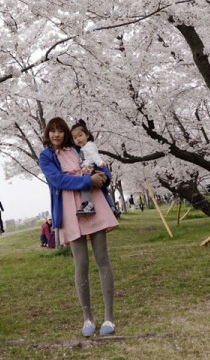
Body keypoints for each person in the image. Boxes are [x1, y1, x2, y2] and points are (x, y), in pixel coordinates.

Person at [39, 116, 118, 337]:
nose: (56, 134)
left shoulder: (78, 147)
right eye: (52, 131)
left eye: (60, 131)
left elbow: (98, 163)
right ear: (48, 134)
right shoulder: (46, 156)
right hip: (69, 208)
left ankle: (109, 318)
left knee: (102, 259)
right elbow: (58, 181)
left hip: (93, 202)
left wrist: (103, 177)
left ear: (65, 133)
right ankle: (87, 318)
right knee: (80, 264)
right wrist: (86, 181)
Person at [71, 119, 107, 216]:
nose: (78, 139)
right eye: (75, 138)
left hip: (89, 168)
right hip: (86, 168)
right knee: (84, 186)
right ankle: (87, 203)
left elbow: (94, 155)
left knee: (84, 185)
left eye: (80, 135)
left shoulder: (89, 145)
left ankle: (89, 205)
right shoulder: (84, 147)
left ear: (87, 135)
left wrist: (100, 163)